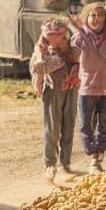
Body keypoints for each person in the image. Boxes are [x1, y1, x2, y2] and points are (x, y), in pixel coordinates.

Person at [29, 18, 80, 184]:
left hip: (71, 90)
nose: (53, 39)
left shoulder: (72, 48)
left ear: (64, 34)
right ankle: (50, 163)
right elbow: (36, 67)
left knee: (68, 127)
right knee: (52, 130)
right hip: (53, 91)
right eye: (49, 35)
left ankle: (65, 164)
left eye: (56, 35)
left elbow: (82, 59)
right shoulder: (43, 49)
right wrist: (47, 64)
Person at [71, 2, 106, 174]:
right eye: (92, 15)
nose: (96, 19)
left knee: (104, 125)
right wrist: (79, 29)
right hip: (88, 88)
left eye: (100, 15)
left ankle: (97, 158)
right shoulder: (82, 37)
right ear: (86, 18)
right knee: (86, 124)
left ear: (105, 19)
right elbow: (74, 49)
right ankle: (92, 153)